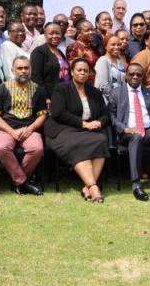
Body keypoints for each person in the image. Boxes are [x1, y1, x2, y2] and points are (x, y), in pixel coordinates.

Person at [45, 59, 110, 203]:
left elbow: (106, 115)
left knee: (101, 140)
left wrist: (98, 122)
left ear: (89, 73)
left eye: (85, 71)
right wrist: (84, 124)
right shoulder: (61, 88)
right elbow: (58, 113)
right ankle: (93, 187)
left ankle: (87, 187)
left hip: (86, 132)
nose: (82, 73)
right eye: (79, 70)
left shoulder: (95, 92)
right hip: (62, 130)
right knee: (79, 143)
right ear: (72, 71)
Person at [108, 63, 150, 200]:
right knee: (136, 137)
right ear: (126, 76)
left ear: (143, 77)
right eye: (132, 74)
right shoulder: (117, 93)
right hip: (127, 133)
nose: (135, 76)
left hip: (147, 130)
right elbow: (110, 116)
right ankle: (136, 184)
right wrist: (124, 128)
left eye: (139, 74)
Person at [0, 57, 47, 195]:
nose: (23, 71)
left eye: (26, 68)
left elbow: (43, 115)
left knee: (37, 149)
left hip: (28, 129)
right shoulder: (2, 88)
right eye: (20, 68)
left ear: (30, 70)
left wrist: (31, 128)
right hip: (5, 129)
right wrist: (11, 131)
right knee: (3, 148)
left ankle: (17, 181)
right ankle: (23, 182)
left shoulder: (39, 90)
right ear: (13, 70)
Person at [30, 22, 71, 96]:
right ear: (45, 35)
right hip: (49, 96)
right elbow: (36, 78)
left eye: (57, 33)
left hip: (64, 94)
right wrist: (45, 97)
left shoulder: (60, 53)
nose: (55, 36)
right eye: (51, 33)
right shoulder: (39, 52)